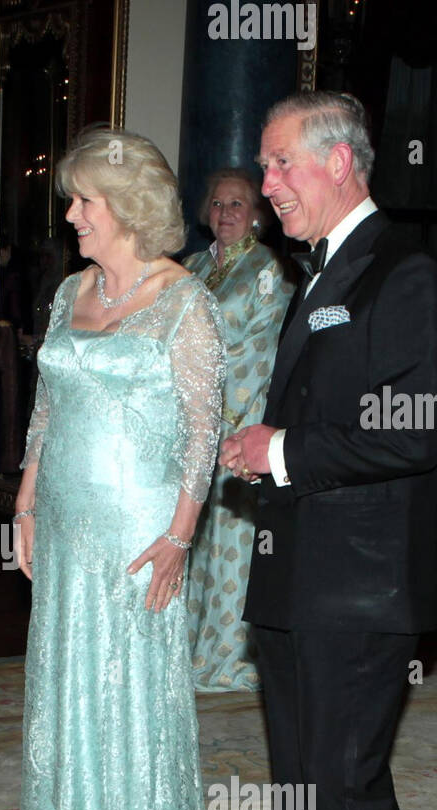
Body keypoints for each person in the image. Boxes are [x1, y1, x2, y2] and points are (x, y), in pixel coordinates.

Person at [215, 91, 437, 810]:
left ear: (340, 162)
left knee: (342, 772)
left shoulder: (402, 274)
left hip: (364, 581)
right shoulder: (319, 272)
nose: (266, 183)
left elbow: (415, 431)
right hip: (296, 569)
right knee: (296, 768)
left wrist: (275, 451)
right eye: (267, 166)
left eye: (280, 164)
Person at [1, 126, 225, 810]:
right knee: (66, 685)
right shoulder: (71, 294)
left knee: (127, 691)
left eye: (82, 200)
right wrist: (24, 503)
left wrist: (179, 537)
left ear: (126, 207)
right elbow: (47, 410)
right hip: (64, 519)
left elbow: (205, 434)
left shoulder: (185, 303)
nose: (70, 215)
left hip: (139, 531)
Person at [183, 169, 293, 691]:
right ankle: (182, 645)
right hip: (186, 423)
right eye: (218, 203)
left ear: (256, 214)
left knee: (231, 541)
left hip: (236, 427)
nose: (225, 213)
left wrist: (217, 417)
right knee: (189, 536)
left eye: (237, 204)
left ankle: (227, 657)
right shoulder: (191, 267)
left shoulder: (267, 270)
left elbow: (260, 354)